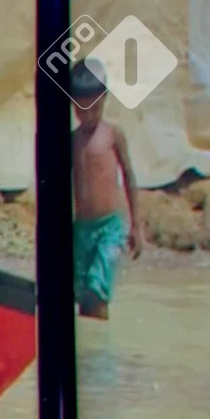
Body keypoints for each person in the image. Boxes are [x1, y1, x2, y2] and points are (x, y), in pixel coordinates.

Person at [70, 60, 140, 320]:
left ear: (104, 99)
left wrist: (136, 226)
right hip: (82, 229)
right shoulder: (73, 141)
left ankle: (100, 342)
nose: (88, 116)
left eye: (94, 109)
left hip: (110, 228)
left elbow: (129, 177)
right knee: (82, 291)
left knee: (97, 288)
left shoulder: (113, 135)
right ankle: (91, 342)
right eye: (81, 110)